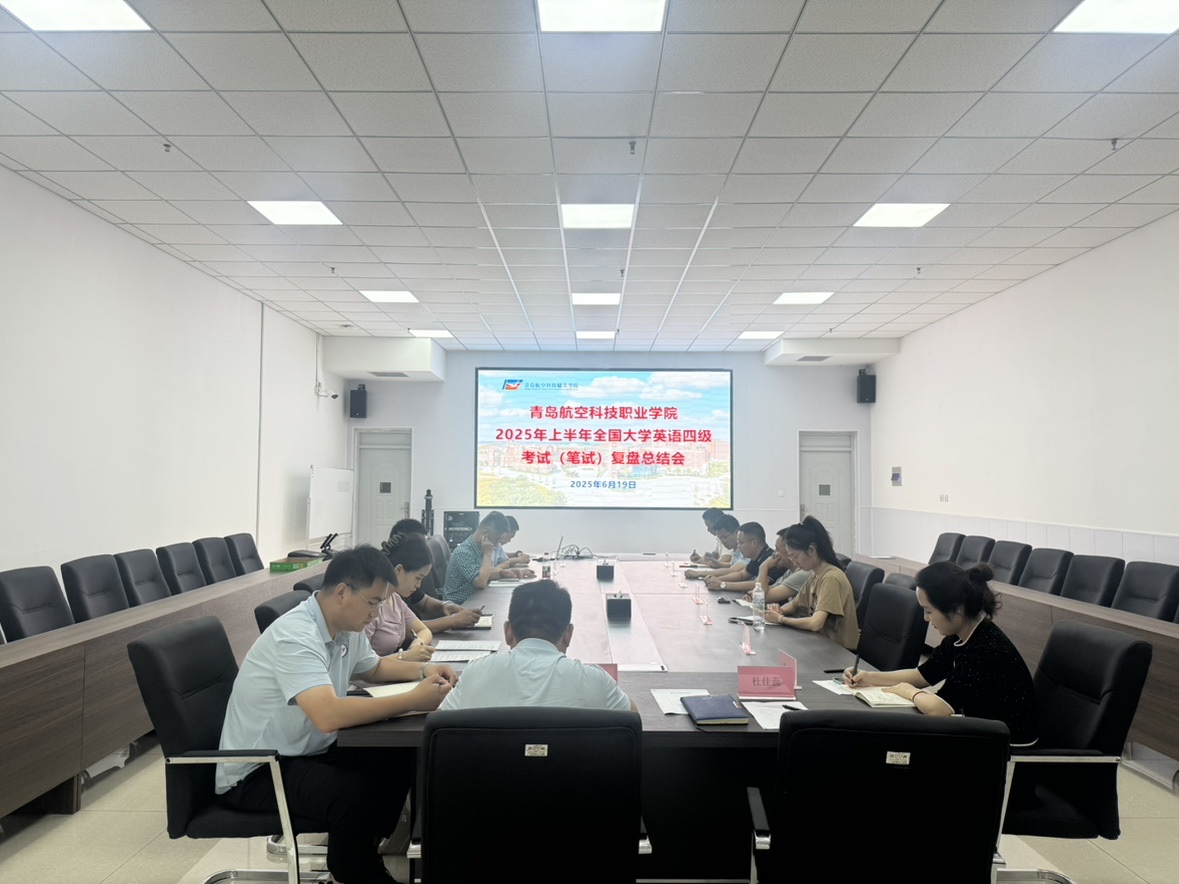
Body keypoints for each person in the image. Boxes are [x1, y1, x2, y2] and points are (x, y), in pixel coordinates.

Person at [216, 545, 457, 884]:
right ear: (343, 592)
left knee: (396, 757)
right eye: (373, 603)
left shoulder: (344, 627)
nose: (375, 614)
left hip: (304, 750)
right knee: (353, 795)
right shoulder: (296, 636)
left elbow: (373, 669)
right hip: (258, 769)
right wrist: (412, 700)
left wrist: (424, 671)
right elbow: (327, 715)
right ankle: (354, 867)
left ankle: (362, 850)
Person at [844, 561, 1038, 746]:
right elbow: (922, 675)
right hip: (983, 729)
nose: (925, 619)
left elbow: (938, 709)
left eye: (929, 611)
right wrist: (869, 677)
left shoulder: (983, 649)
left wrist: (910, 692)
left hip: (1006, 742)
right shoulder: (962, 634)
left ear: (957, 610)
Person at [440, 578, 636, 712]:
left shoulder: (475, 674)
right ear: (568, 635)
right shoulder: (596, 682)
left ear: (508, 632)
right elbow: (633, 719)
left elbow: (440, 723)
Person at [765, 516, 859, 650]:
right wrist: (778, 611)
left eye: (795, 556)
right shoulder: (815, 574)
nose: (794, 562)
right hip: (820, 643)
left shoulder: (831, 578)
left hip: (837, 652)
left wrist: (780, 619)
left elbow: (816, 623)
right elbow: (795, 604)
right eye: (790, 557)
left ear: (812, 550)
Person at [365, 532, 436, 660]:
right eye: (417, 578)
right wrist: (404, 657)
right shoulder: (370, 606)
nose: (418, 585)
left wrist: (416, 646)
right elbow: (361, 665)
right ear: (398, 570)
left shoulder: (395, 599)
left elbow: (424, 631)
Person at [444, 510, 510, 604]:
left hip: (475, 598)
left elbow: (484, 573)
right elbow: (481, 582)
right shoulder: (463, 552)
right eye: (496, 539)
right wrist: (488, 554)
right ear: (485, 534)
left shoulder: (479, 548)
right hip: (459, 605)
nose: (497, 544)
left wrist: (503, 573)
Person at [702, 521, 773, 592]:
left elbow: (758, 585)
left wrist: (722, 584)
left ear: (754, 543)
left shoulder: (770, 558)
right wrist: (716, 579)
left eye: (741, 543)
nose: (738, 547)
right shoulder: (757, 556)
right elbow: (742, 574)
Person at [753, 527, 812, 604]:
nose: (774, 553)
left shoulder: (804, 573)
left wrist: (763, 567)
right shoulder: (790, 572)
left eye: (777, 549)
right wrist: (751, 594)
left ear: (789, 551)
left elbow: (763, 598)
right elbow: (768, 590)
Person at [685, 514, 740, 579]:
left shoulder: (743, 550)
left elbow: (732, 570)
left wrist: (698, 573)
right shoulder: (735, 549)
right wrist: (708, 560)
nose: (723, 541)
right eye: (720, 538)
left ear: (736, 532)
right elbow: (732, 565)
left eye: (724, 537)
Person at [490, 514, 535, 580]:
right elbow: (505, 562)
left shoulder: (498, 545)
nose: (509, 540)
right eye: (510, 537)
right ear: (504, 532)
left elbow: (504, 560)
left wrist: (517, 554)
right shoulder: (488, 545)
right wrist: (519, 559)